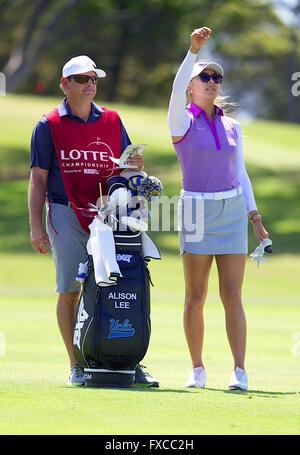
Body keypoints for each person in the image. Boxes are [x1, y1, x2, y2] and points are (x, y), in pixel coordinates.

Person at [28, 55, 159, 388]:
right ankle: (77, 364)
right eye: (82, 79)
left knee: (121, 285)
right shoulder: (48, 124)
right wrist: (35, 225)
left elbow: (126, 168)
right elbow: (38, 179)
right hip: (64, 211)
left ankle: (127, 360)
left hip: (109, 215)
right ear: (65, 84)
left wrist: (135, 166)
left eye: (94, 80)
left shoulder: (113, 120)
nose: (90, 85)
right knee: (71, 289)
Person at [167, 27, 269, 390]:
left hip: (231, 210)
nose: (211, 81)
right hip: (194, 211)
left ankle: (239, 371)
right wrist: (192, 52)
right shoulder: (181, 121)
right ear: (192, 86)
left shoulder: (232, 126)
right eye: (203, 77)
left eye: (216, 77)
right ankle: (197, 369)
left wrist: (254, 218)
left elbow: (239, 172)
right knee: (195, 296)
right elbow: (177, 88)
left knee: (232, 295)